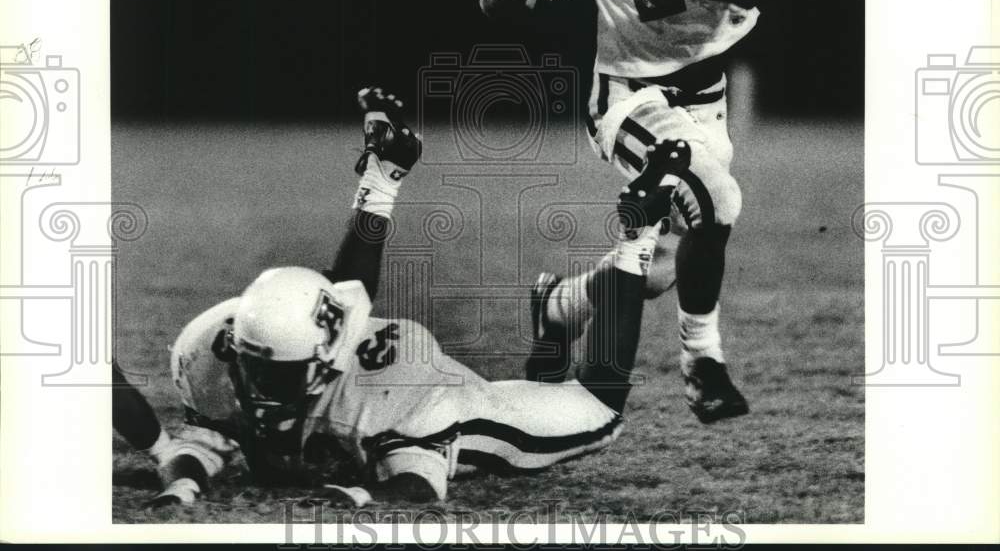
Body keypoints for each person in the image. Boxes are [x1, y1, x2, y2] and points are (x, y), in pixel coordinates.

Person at [151, 87, 689, 504]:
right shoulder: (212, 349)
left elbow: (417, 485)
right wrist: (182, 482)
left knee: (600, 409)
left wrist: (360, 496)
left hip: (472, 414)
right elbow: (201, 443)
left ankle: (637, 235)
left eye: (282, 376)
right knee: (355, 294)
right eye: (257, 369)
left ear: (328, 361)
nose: (264, 390)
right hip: (364, 380)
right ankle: (552, 312)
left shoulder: (394, 389)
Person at [525, 0, 805, 423]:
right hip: (624, 92)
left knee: (658, 271)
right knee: (719, 196)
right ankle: (703, 365)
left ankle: (559, 307)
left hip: (704, 93)